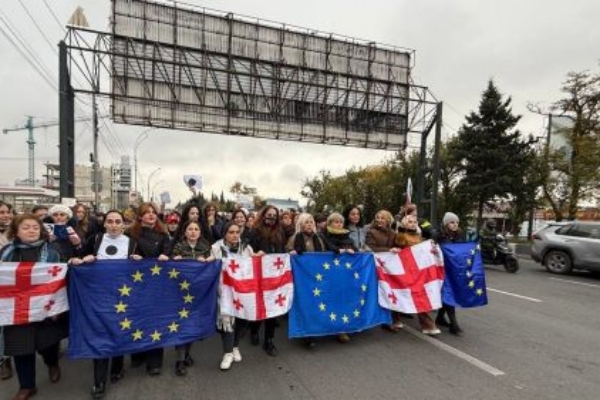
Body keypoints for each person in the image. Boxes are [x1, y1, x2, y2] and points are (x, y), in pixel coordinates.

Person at [70, 210, 137, 399]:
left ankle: (117, 367)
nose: (114, 225)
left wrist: (137, 260)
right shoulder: (95, 239)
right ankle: (99, 381)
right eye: (110, 221)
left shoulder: (132, 243)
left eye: (118, 221)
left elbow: (141, 268)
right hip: (98, 295)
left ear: (123, 224)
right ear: (105, 224)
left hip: (123, 296)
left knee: (119, 330)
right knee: (100, 333)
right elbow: (79, 255)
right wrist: (80, 259)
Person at [0, 214, 67, 400]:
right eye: (26, 227)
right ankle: (27, 386)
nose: (31, 230)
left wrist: (56, 308)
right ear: (16, 231)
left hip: (45, 308)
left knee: (48, 345)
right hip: (17, 309)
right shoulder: (6, 252)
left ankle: (52, 364)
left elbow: (60, 280)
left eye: (35, 227)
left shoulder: (52, 251)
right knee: (21, 349)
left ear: (41, 230)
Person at [126, 203, 170, 376]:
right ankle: (137, 354)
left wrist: (166, 256)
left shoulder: (163, 234)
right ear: (140, 216)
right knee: (136, 320)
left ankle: (154, 361)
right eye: (147, 213)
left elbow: (168, 253)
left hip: (156, 285)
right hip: (135, 285)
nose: (151, 215)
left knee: (154, 321)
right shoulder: (130, 234)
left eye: (154, 213)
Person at [170, 220, 212, 376]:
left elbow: (213, 264)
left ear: (200, 232)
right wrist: (177, 261)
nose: (193, 232)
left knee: (192, 325)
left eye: (196, 229)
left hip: (198, 293)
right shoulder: (178, 247)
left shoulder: (206, 247)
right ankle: (179, 360)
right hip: (181, 293)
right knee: (182, 325)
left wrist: (208, 261)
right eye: (190, 229)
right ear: (185, 231)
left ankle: (187, 353)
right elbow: (171, 266)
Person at [286, 213, 334, 348]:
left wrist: (341, 251)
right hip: (303, 278)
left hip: (318, 276)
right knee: (306, 304)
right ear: (300, 224)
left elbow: (329, 250)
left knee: (318, 302)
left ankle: (318, 329)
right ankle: (307, 335)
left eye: (311, 222)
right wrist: (292, 253)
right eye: (306, 222)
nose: (310, 225)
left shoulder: (319, 237)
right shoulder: (295, 238)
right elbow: (288, 251)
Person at [211, 222, 254, 370]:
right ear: (225, 234)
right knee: (227, 319)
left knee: (241, 319)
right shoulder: (216, 248)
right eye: (231, 232)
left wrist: (258, 257)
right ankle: (228, 353)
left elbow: (253, 265)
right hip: (225, 291)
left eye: (237, 232)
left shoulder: (246, 248)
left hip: (243, 290)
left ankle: (235, 346)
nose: (235, 235)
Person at [248, 205, 287, 356]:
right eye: (269, 214)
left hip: (275, 275)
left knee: (272, 308)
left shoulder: (279, 231)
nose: (271, 217)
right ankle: (254, 330)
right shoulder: (255, 231)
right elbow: (249, 250)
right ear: (263, 215)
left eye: (274, 215)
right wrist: (257, 253)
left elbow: (282, 250)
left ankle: (269, 340)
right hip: (259, 274)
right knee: (260, 305)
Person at [395, 213, 441, 336]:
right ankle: (395, 318)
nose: (413, 223)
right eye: (409, 221)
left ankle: (427, 324)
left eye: (415, 221)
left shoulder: (419, 237)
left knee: (420, 294)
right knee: (399, 294)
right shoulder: (400, 236)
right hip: (404, 270)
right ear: (404, 223)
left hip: (417, 272)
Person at [365, 210, 403, 332]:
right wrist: (389, 250)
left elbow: (399, 246)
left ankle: (391, 319)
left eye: (382, 218)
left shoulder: (393, 233)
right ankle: (381, 319)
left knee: (390, 292)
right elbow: (372, 248)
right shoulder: (371, 232)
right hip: (376, 266)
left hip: (389, 268)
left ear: (388, 220)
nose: (379, 220)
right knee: (379, 292)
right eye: (378, 218)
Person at [322, 212, 357, 343]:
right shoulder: (324, 236)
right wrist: (338, 250)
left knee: (345, 299)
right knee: (332, 300)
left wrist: (351, 249)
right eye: (335, 222)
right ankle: (331, 326)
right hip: (331, 273)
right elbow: (326, 248)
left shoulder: (347, 236)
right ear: (329, 223)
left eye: (341, 222)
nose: (339, 224)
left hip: (345, 274)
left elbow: (354, 248)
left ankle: (342, 328)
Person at [436, 212, 466, 335]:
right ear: (446, 223)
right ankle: (454, 325)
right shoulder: (439, 235)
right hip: (441, 269)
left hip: (454, 269)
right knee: (449, 293)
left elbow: (463, 251)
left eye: (457, 222)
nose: (455, 225)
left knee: (448, 294)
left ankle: (440, 318)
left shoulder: (459, 235)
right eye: (452, 222)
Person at [0, 200, 15, 381]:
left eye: (6, 212)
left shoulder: (16, 234)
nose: (4, 215)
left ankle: (5, 358)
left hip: (11, 286)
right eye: (1, 212)